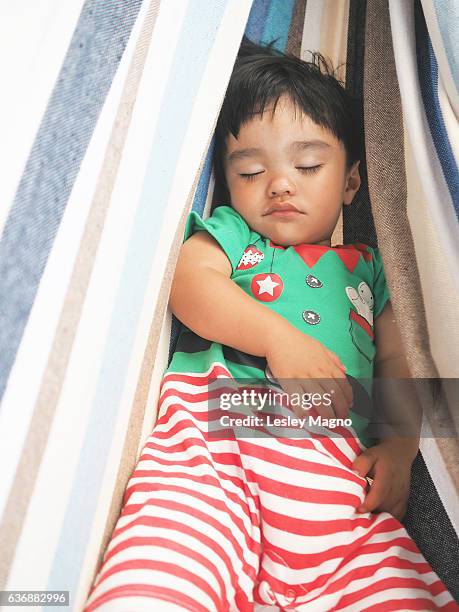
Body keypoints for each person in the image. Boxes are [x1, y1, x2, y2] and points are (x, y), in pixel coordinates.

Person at [84, 38, 459, 611]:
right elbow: (189, 285)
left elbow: (398, 360)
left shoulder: (372, 267)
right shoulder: (234, 234)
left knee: (397, 594)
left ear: (351, 183)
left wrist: (403, 447)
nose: (280, 183)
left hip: (337, 479)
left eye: (307, 165)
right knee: (160, 575)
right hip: (215, 446)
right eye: (253, 170)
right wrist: (278, 339)